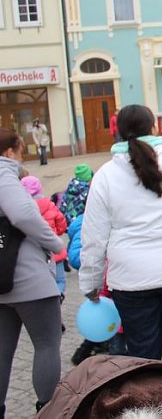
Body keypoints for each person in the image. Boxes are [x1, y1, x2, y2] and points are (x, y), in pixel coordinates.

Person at [80, 105, 162, 365]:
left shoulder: (105, 175)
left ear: (119, 133)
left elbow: (94, 235)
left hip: (130, 279)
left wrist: (90, 283)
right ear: (154, 128)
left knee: (142, 357)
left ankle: (150, 403)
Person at [0, 129, 65, 416]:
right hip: (28, 277)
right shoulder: (4, 173)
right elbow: (24, 214)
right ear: (11, 151)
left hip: (3, 281)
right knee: (47, 345)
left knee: (2, 354)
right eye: (21, 150)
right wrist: (53, 242)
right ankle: (48, 410)